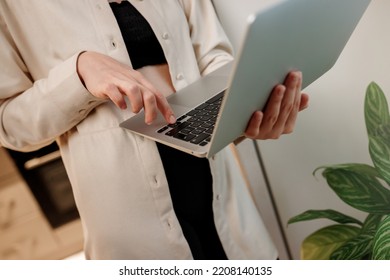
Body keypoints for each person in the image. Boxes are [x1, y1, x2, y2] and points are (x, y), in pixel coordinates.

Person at [0, 0, 309, 260]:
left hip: (233, 225)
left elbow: (214, 57)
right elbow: (7, 123)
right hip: (135, 245)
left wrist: (247, 108)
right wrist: (78, 73)